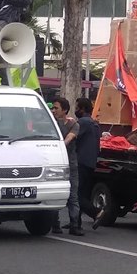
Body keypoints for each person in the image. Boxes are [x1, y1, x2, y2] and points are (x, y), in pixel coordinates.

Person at [50, 98, 83, 236]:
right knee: (54, 195)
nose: (53, 110)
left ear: (64, 110)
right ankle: (55, 224)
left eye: (56, 108)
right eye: (53, 108)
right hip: (55, 164)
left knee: (73, 196)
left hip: (70, 164)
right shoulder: (50, 124)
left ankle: (74, 225)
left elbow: (68, 140)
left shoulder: (73, 124)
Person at [75, 97, 104, 230]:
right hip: (91, 162)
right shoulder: (95, 124)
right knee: (83, 193)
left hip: (81, 161)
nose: (76, 110)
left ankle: (95, 212)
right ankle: (76, 220)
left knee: (77, 194)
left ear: (83, 109)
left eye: (77, 108)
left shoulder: (82, 122)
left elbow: (72, 137)